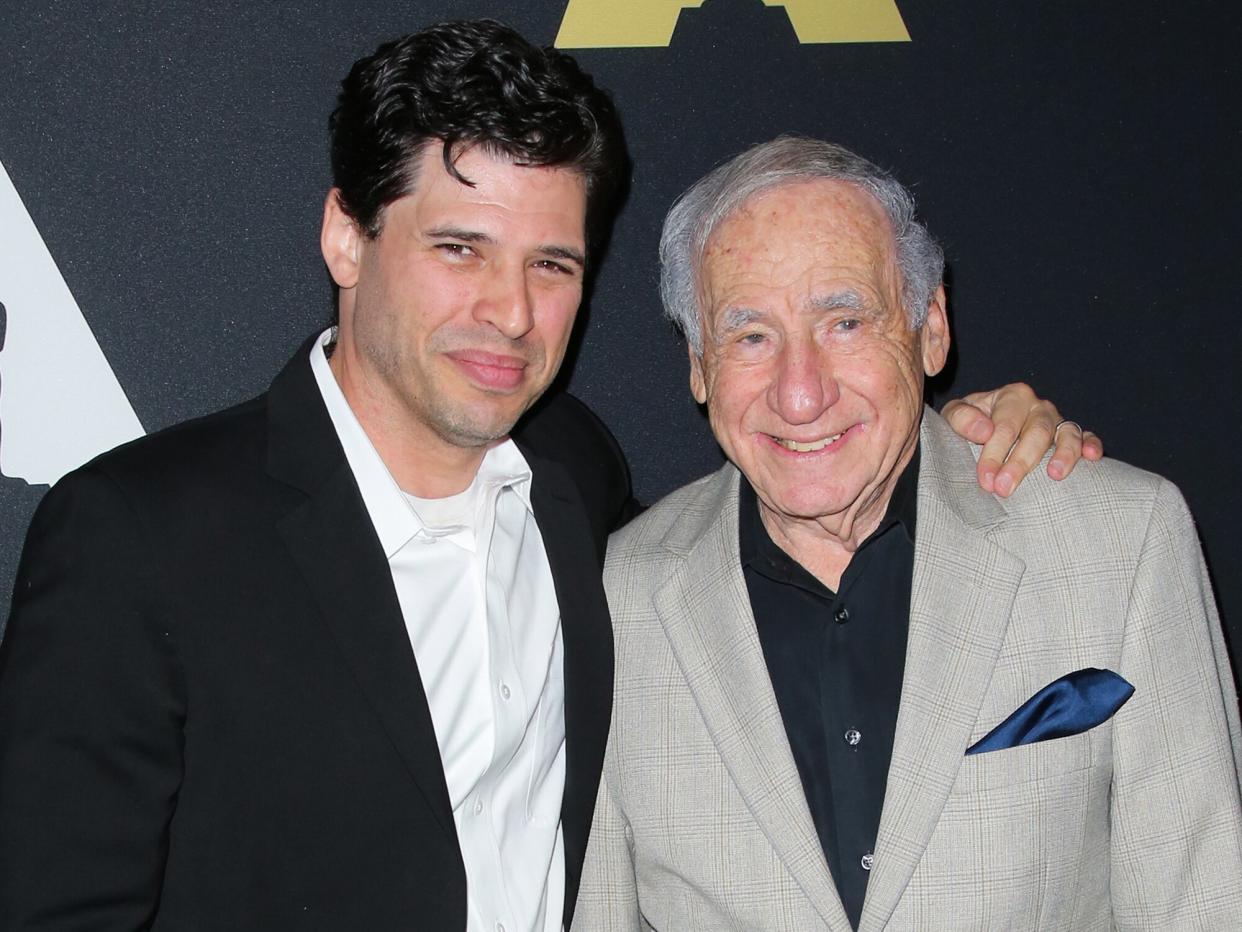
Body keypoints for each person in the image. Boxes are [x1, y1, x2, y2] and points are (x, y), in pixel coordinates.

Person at [0, 22, 1096, 930]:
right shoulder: (136, 539)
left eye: (552, 264)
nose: (512, 313)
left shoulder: (575, 474)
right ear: (347, 234)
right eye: (460, 248)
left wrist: (952, 428)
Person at [575, 136, 1242, 931]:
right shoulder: (622, 594)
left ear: (930, 328)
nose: (799, 393)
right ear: (697, 365)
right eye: (751, 336)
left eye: (845, 321)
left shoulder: (1120, 543)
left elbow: (1204, 904)